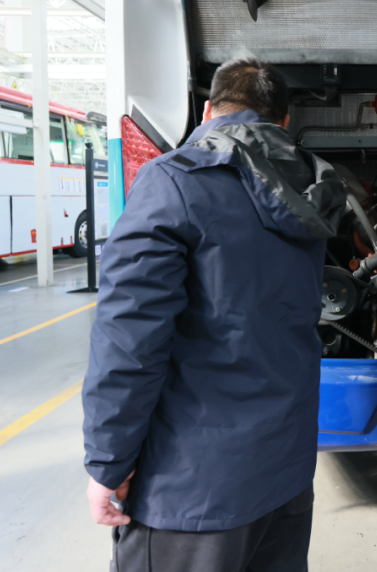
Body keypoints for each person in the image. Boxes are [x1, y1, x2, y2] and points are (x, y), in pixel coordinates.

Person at [81, 55, 345, 571]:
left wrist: (108, 462)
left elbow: (129, 338)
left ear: (207, 111)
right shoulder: (312, 189)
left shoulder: (173, 181)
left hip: (193, 490)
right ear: (284, 121)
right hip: (286, 474)